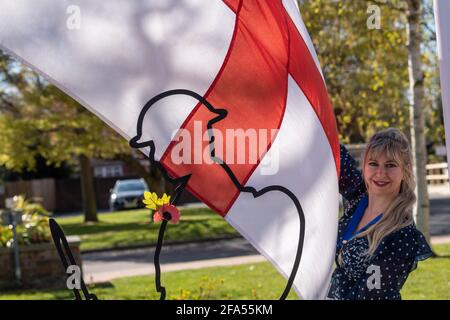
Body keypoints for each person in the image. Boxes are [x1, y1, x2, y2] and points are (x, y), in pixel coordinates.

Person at [327, 128, 433, 300]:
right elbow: (331, 152)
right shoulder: (359, 198)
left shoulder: (403, 234)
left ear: (405, 170)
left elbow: (368, 296)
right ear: (364, 166)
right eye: (373, 163)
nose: (381, 173)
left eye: (390, 165)